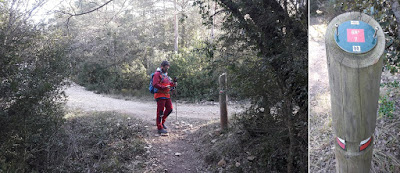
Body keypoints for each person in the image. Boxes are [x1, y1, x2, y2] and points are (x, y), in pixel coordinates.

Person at [152, 61, 176, 134]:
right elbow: (155, 84)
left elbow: (169, 84)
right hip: (159, 95)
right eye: (166, 67)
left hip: (166, 95)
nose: (167, 68)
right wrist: (164, 87)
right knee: (160, 112)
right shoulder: (157, 74)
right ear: (162, 66)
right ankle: (159, 128)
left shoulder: (165, 75)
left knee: (170, 109)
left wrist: (173, 84)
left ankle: (162, 123)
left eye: (168, 67)